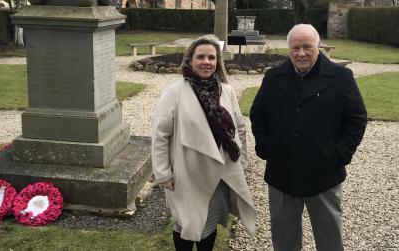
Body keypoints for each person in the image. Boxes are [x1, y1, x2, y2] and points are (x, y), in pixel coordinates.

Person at [250, 24, 367, 251]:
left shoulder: (341, 77)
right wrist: (266, 147)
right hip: (281, 173)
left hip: (323, 173)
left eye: (307, 47)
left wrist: (339, 154)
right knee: (284, 238)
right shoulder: (274, 77)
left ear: (318, 46)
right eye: (295, 48)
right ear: (288, 49)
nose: (301, 53)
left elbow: (357, 119)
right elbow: (258, 114)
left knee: (329, 238)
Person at [152, 35, 256, 251]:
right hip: (187, 173)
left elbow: (240, 128)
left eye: (211, 57)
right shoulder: (175, 92)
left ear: (218, 61)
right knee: (186, 224)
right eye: (201, 57)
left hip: (219, 173)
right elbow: (160, 135)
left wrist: (241, 163)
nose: (206, 62)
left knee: (209, 224)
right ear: (190, 60)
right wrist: (163, 173)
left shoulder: (226, 90)